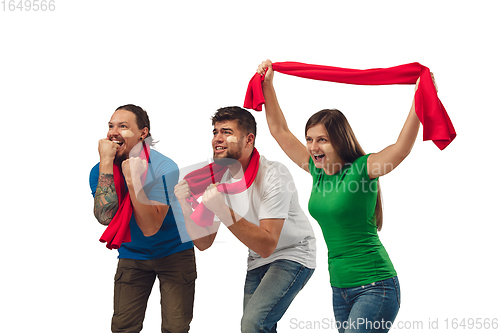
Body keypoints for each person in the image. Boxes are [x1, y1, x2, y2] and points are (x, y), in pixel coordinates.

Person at [256, 60, 438, 333]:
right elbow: (279, 131)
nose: (313, 147)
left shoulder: (363, 169)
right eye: (309, 139)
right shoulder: (317, 172)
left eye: (322, 140)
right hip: (339, 290)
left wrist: (419, 99)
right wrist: (268, 85)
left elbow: (400, 149)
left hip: (376, 287)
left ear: (338, 141)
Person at [174, 106, 316, 333]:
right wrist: (184, 206)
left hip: (293, 253)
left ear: (249, 139)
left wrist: (221, 210)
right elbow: (203, 242)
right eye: (215, 132)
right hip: (257, 258)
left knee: (253, 324)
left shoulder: (274, 174)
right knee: (253, 328)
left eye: (226, 132)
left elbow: (268, 244)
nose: (217, 139)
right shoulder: (218, 178)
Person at [89, 104, 196, 333]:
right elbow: (105, 217)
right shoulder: (99, 171)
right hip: (132, 254)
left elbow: (151, 226)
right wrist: (107, 163)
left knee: (175, 328)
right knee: (123, 327)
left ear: (143, 133)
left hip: (174, 252)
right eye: (111, 126)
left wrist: (133, 180)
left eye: (123, 126)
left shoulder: (164, 167)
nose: (113, 132)